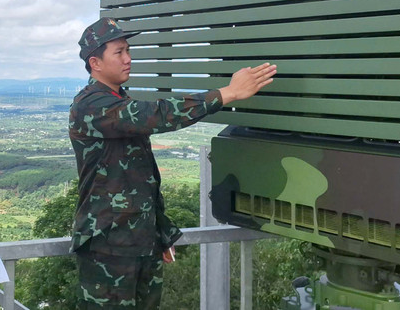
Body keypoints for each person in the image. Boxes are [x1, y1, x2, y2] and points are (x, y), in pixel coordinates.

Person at [69, 17, 277, 309]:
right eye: (119, 52)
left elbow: (141, 178)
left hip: (141, 242)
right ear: (96, 62)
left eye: (128, 50)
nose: (128, 59)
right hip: (109, 247)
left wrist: (160, 231)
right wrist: (227, 93)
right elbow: (159, 114)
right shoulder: (91, 105)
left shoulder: (117, 102)